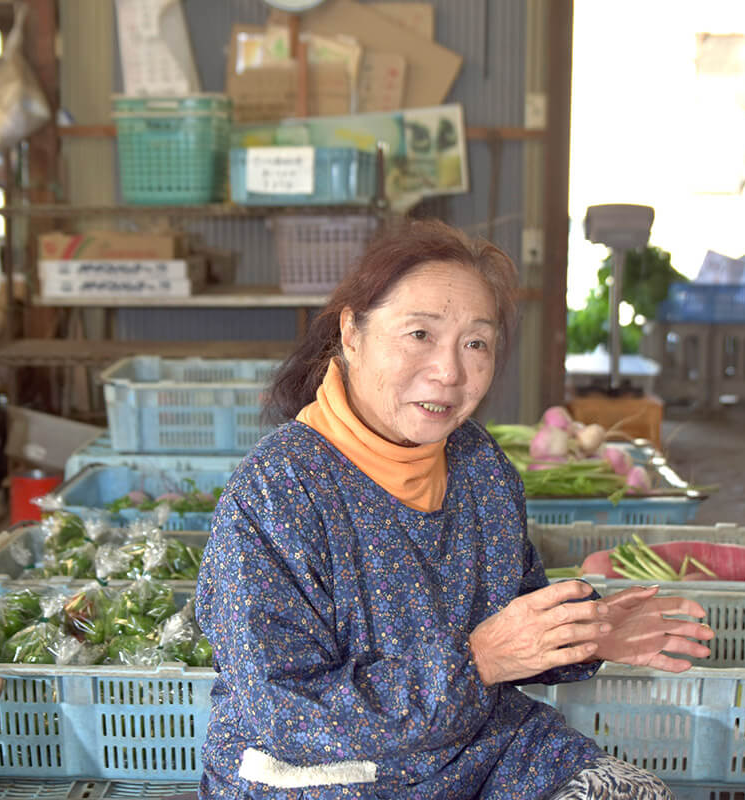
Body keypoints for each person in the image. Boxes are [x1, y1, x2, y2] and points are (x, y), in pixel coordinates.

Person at [195, 219, 715, 799]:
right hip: (328, 777)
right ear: (351, 332)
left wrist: (582, 634)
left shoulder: (477, 462)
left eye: (476, 343)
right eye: (419, 334)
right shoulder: (276, 490)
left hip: (479, 749)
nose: (449, 371)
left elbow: (509, 614)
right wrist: (477, 662)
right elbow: (284, 713)